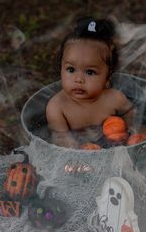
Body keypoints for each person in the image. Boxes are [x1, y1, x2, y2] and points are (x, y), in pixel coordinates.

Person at [46, 17, 135, 148]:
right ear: (61, 69)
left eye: (90, 72)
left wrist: (129, 131)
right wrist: (77, 150)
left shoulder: (115, 98)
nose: (79, 79)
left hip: (113, 144)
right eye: (71, 69)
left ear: (107, 78)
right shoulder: (57, 107)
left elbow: (130, 112)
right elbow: (61, 138)